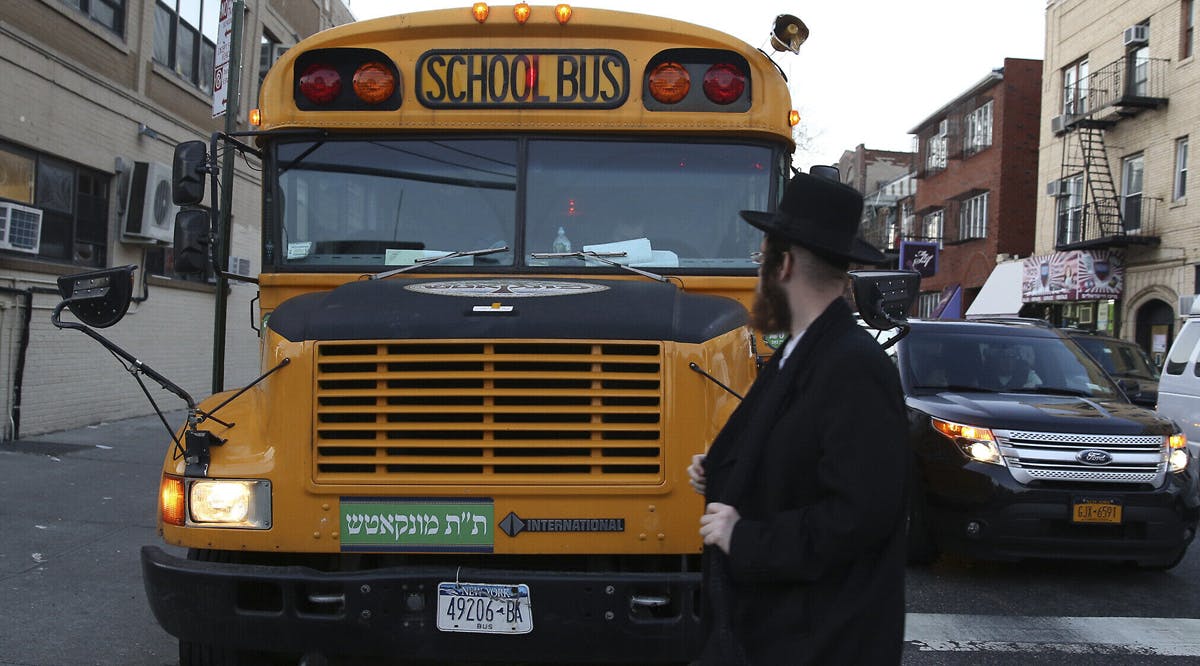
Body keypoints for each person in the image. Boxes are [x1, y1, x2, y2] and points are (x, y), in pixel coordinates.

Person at [687, 168, 908, 665]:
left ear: (783, 265)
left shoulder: (851, 364)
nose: (757, 271)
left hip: (821, 641)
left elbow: (859, 516)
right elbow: (799, 459)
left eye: (760, 259)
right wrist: (723, 469)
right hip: (783, 635)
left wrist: (744, 537)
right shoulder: (802, 352)